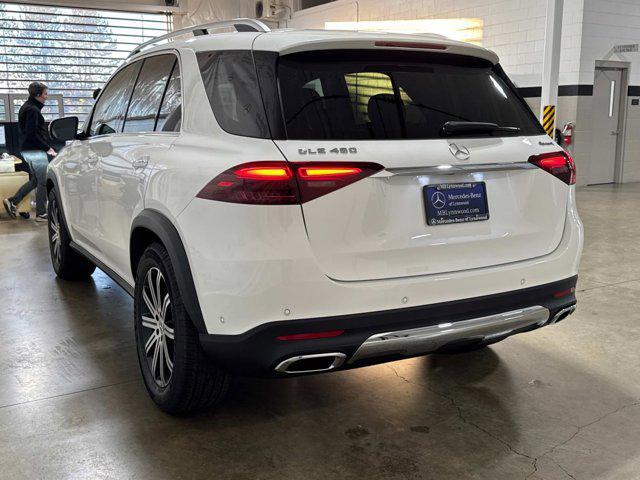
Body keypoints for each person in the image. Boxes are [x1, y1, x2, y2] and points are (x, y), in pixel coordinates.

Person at [3, 81, 57, 222]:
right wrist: (48, 148)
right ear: (38, 94)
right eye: (45, 94)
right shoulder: (32, 110)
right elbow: (32, 134)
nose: (47, 97)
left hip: (28, 150)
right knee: (43, 181)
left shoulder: (28, 107)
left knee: (35, 180)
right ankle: (41, 213)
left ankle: (13, 201)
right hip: (35, 150)